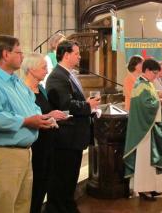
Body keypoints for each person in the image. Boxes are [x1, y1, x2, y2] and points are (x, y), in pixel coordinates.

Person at [0, 35, 53, 213]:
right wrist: (25, 120)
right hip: (2, 155)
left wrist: (41, 118)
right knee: (3, 208)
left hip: (22, 153)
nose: (22, 57)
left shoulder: (15, 81)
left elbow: (33, 106)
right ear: (5, 54)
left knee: (22, 207)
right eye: (19, 52)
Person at [45, 40, 100, 213]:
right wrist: (87, 106)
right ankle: (59, 208)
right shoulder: (57, 76)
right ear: (66, 55)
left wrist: (87, 106)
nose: (79, 56)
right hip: (66, 137)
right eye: (76, 53)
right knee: (62, 177)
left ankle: (68, 205)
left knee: (70, 177)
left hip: (74, 136)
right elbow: (65, 104)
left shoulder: (69, 74)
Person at [21, 53, 67, 213]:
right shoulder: (22, 90)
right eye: (43, 67)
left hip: (48, 142)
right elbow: (25, 117)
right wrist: (49, 115)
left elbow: (45, 111)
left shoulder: (41, 88)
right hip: (35, 144)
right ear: (31, 69)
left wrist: (54, 115)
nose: (47, 71)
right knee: (33, 188)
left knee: (44, 185)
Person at [123, 58, 162, 201]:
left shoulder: (147, 83)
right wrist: (161, 101)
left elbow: (151, 102)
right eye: (154, 73)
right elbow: (146, 106)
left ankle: (151, 187)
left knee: (152, 159)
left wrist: (160, 101)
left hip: (149, 127)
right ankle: (143, 189)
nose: (156, 76)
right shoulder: (140, 85)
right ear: (147, 71)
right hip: (143, 131)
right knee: (145, 161)